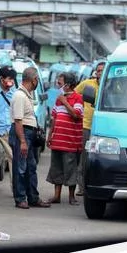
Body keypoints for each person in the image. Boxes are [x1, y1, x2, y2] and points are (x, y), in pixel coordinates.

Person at [9, 67, 51, 209]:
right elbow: (18, 121)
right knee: (20, 168)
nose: (37, 82)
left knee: (30, 168)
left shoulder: (27, 95)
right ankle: (20, 198)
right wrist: (22, 141)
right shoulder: (19, 96)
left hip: (28, 134)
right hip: (22, 134)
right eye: (37, 80)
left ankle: (33, 197)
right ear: (33, 80)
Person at [46, 72, 84, 205]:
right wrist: (50, 135)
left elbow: (76, 115)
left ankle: (71, 197)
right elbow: (54, 118)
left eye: (60, 83)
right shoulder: (59, 99)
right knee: (56, 168)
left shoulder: (78, 98)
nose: (58, 85)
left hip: (71, 142)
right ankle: (57, 196)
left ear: (68, 85)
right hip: (58, 141)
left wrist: (65, 102)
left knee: (71, 169)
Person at [74, 61, 106, 196]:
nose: (100, 73)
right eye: (98, 70)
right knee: (84, 158)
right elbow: (74, 94)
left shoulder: (111, 85)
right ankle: (81, 187)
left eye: (102, 70)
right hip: (86, 126)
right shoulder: (88, 84)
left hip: (104, 128)